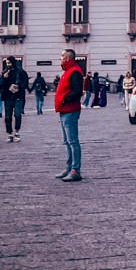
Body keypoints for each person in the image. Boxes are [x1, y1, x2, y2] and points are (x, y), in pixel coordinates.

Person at [54, 49, 84, 182]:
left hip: (70, 110)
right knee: (67, 141)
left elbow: (77, 91)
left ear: (68, 57)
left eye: (62, 55)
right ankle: (69, 167)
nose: (60, 58)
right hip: (64, 110)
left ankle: (75, 170)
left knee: (73, 142)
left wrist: (65, 99)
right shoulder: (67, 71)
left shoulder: (74, 71)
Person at [1, 56, 29, 142]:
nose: (8, 65)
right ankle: (9, 133)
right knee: (8, 116)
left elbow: (25, 83)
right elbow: (1, 85)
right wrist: (4, 79)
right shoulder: (5, 72)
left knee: (17, 114)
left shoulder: (21, 72)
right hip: (8, 97)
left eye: (9, 63)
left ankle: (17, 132)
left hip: (18, 96)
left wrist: (18, 86)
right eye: (7, 63)